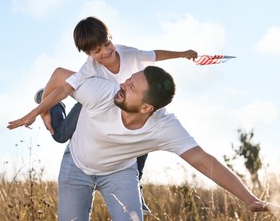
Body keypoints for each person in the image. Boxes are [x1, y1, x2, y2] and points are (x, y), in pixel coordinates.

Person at [8, 66, 280, 220]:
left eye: (131, 87)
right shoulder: (103, 90)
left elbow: (203, 160)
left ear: (147, 108)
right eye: (128, 80)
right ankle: (55, 108)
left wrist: (250, 199)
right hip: (77, 165)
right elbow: (60, 74)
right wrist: (43, 108)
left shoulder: (164, 127)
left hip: (119, 173)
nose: (122, 85)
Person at [33, 16, 198, 214]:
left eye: (107, 44)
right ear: (88, 53)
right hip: (92, 107)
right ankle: (54, 104)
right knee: (60, 136)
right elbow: (61, 77)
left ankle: (136, 183)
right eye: (97, 51)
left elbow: (156, 54)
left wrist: (182, 54)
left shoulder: (129, 54)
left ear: (110, 37)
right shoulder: (90, 68)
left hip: (125, 110)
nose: (105, 52)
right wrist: (44, 107)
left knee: (141, 133)